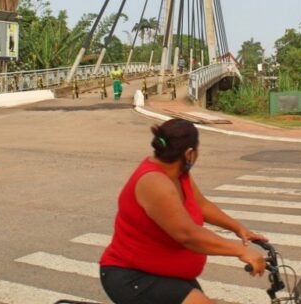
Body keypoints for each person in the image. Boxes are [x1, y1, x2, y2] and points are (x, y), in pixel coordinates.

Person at [99, 119, 267, 304]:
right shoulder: (154, 182)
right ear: (189, 153)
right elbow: (188, 235)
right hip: (133, 276)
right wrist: (239, 251)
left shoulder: (178, 174)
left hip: (165, 273)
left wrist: (238, 228)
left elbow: (202, 206)